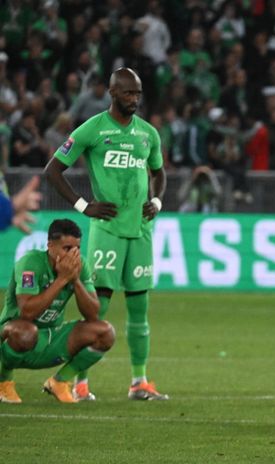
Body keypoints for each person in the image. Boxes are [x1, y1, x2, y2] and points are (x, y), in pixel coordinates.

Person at [44, 67, 168, 401]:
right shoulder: (93, 129)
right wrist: (84, 206)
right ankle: (80, 383)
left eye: (138, 94)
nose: (135, 100)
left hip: (140, 232)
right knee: (96, 309)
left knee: (140, 307)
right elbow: (53, 170)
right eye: (129, 93)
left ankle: (139, 382)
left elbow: (159, 172)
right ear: (112, 93)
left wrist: (156, 200)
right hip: (107, 231)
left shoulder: (148, 134)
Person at [0, 219, 114, 403]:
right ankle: (3, 382)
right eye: (67, 248)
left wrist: (75, 280)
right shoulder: (30, 263)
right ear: (50, 246)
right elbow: (27, 313)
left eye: (77, 248)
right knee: (26, 332)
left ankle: (60, 382)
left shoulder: (79, 265)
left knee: (105, 332)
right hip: (14, 336)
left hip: (51, 338)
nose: (73, 254)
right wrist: (62, 280)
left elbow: (93, 314)